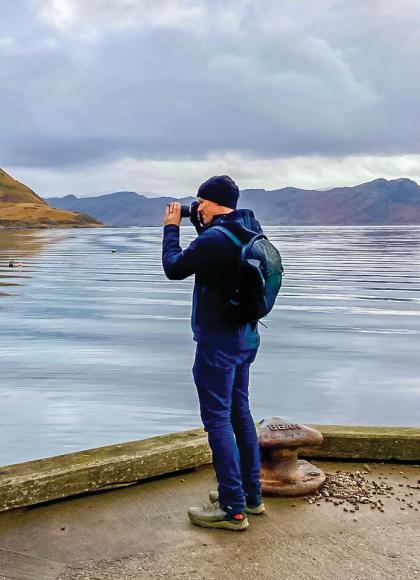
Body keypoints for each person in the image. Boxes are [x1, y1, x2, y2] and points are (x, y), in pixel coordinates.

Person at [162, 175, 265, 531]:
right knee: (240, 414)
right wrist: (198, 225)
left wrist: (171, 229)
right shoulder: (245, 229)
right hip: (245, 338)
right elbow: (213, 258)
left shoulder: (215, 239)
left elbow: (175, 268)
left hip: (217, 344)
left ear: (209, 201)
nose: (197, 207)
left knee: (218, 420)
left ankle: (231, 508)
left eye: (199, 202)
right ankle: (250, 496)